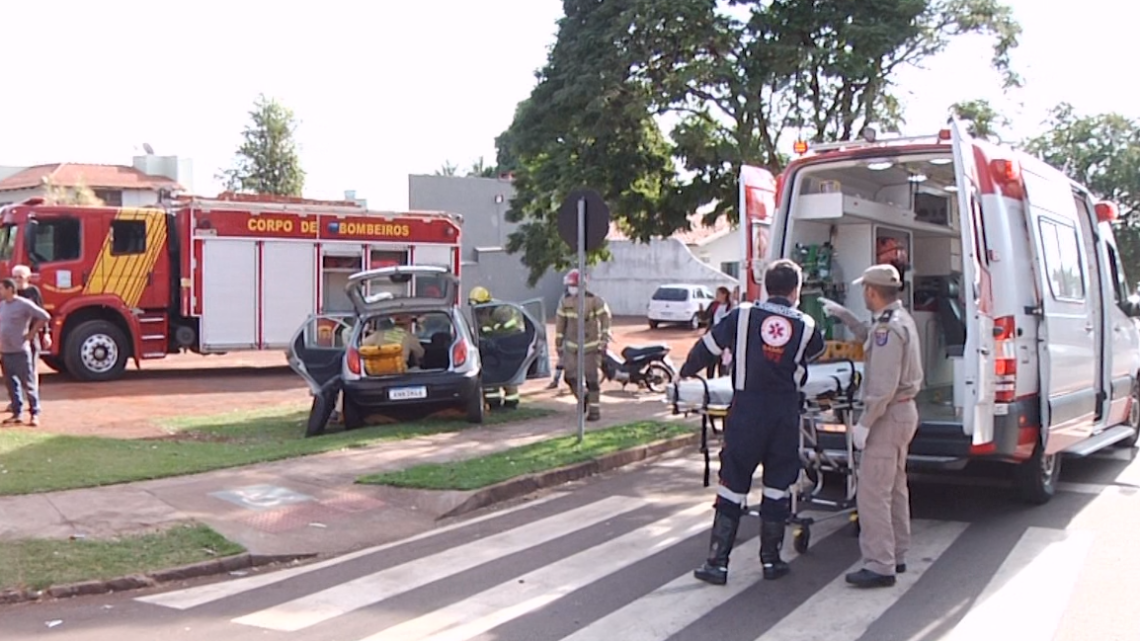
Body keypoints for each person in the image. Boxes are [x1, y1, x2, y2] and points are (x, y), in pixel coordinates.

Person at [683, 259, 825, 585]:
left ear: (765, 286)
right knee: (777, 486)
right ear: (796, 291)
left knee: (733, 483)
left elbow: (707, 348)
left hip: (747, 411)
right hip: (784, 415)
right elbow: (815, 352)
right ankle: (771, 561)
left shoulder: (742, 314)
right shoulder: (806, 325)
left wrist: (686, 375)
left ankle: (717, 564)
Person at [819, 263, 924, 588]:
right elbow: (869, 337)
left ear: (872, 291)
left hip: (887, 415)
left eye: (864, 289)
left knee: (872, 494)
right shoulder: (895, 320)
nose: (863, 293)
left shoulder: (887, 331)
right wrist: (845, 317)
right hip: (901, 413)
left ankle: (880, 565)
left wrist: (864, 424)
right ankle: (898, 553)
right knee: (893, 488)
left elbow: (882, 385)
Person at [554, 269, 611, 421]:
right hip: (572, 347)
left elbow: (605, 319)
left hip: (591, 347)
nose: (570, 288)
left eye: (573, 285)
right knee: (570, 376)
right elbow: (560, 323)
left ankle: (594, 411)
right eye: (569, 286)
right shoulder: (565, 301)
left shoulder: (594, 300)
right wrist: (558, 343)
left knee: (592, 379)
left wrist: (604, 339)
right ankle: (583, 396)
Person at [0, 278, 50, 426]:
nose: (0, 291)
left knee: (28, 383)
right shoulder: (2, 305)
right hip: (5, 351)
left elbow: (44, 316)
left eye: (2, 288)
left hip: (20, 351)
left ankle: (34, 413)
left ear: (10, 289)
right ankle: (17, 414)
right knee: (11, 384)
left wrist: (32, 333)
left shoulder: (23, 304)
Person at [468, 286, 524, 409]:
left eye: (477, 305)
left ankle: (511, 403)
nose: (477, 310)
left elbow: (511, 328)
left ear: (485, 303)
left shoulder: (501, 311)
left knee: (507, 373)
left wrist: (495, 335)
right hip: (492, 347)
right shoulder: (480, 313)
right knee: (491, 374)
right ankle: (494, 403)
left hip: (507, 345)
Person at [9, 265, 51, 414]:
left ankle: (33, 402)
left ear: (28, 277)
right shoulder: (9, 294)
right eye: (15, 277)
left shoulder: (33, 292)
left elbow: (42, 313)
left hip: (30, 337)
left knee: (31, 370)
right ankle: (16, 401)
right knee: (13, 371)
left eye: (20, 277)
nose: (17, 280)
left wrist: (46, 333)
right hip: (12, 339)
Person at [703, 286, 734, 378]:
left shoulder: (730, 306)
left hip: (725, 335)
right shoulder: (714, 305)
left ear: (724, 295)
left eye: (719, 294)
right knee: (711, 360)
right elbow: (705, 317)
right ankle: (710, 379)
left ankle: (721, 378)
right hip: (713, 334)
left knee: (722, 361)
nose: (717, 296)